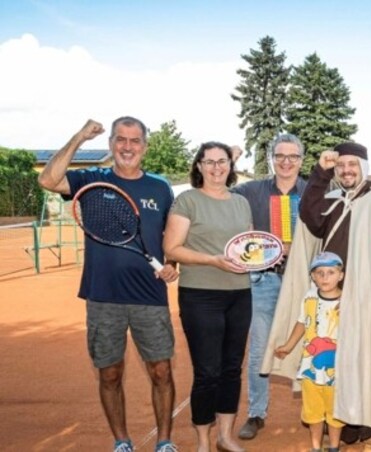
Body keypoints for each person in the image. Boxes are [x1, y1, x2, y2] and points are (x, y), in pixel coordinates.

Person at [260, 142, 371, 449]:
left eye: (352, 165)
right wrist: (321, 173)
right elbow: (310, 216)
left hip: (365, 298)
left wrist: (369, 292)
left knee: (363, 357)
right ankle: (337, 413)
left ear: (362, 167)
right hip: (330, 294)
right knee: (333, 359)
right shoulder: (334, 199)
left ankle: (360, 418)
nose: (346, 170)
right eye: (341, 166)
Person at [37, 117, 179, 452]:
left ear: (145, 146)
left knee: (161, 371)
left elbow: (171, 237)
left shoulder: (160, 187)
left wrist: (172, 264)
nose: (127, 147)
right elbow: (47, 179)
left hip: (150, 296)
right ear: (111, 144)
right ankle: (122, 441)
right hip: (103, 296)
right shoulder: (90, 180)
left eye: (135, 140)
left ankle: (164, 442)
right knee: (110, 374)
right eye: (120, 140)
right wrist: (80, 137)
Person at [163, 142, 253, 452]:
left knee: (231, 368)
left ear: (231, 166)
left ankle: (225, 437)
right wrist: (212, 260)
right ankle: (202, 441)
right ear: (199, 166)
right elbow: (172, 249)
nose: (217, 167)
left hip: (240, 294)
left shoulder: (241, 202)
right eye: (209, 162)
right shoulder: (188, 201)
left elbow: (248, 244)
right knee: (207, 371)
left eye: (222, 161)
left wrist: (263, 255)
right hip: (200, 295)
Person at [230, 134, 308, 441]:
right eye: (280, 156)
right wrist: (231, 159)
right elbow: (218, 191)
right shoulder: (252, 190)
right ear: (272, 157)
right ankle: (256, 413)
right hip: (263, 280)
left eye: (293, 156)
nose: (286, 162)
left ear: (302, 160)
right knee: (261, 348)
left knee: (313, 347)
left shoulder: (314, 192)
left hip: (304, 283)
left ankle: (319, 411)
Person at [274, 251, 347, 452]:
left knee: (335, 412)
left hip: (338, 371)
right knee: (313, 411)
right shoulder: (309, 297)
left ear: (340, 275)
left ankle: (334, 447)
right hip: (310, 369)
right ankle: (315, 447)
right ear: (313, 276)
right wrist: (288, 346)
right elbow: (302, 323)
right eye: (319, 273)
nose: (325, 278)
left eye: (331, 272)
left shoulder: (348, 301)